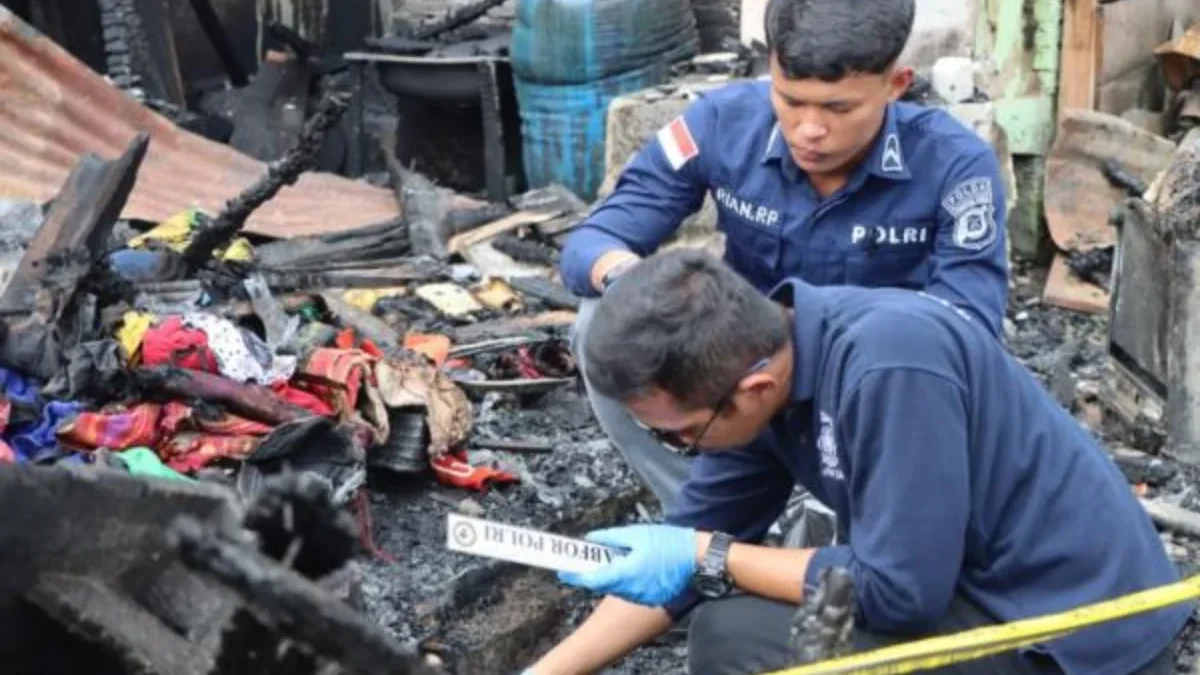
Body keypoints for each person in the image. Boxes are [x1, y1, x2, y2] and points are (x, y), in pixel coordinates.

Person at [524, 249, 1189, 675]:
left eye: (677, 437)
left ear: (748, 391)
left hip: (1076, 633)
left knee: (740, 636)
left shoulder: (890, 364)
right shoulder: (760, 364)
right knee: (727, 612)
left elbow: (899, 592)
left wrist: (711, 555)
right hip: (980, 585)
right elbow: (683, 559)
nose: (679, 452)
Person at [562, 0, 1011, 514]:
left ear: (897, 84)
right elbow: (590, 243)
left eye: (838, 109)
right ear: (769, 70)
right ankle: (694, 506)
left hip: (875, 386)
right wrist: (632, 279)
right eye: (790, 100)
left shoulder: (954, 163)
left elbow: (970, 324)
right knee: (605, 317)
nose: (809, 130)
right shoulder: (722, 123)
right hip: (740, 376)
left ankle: (864, 524)